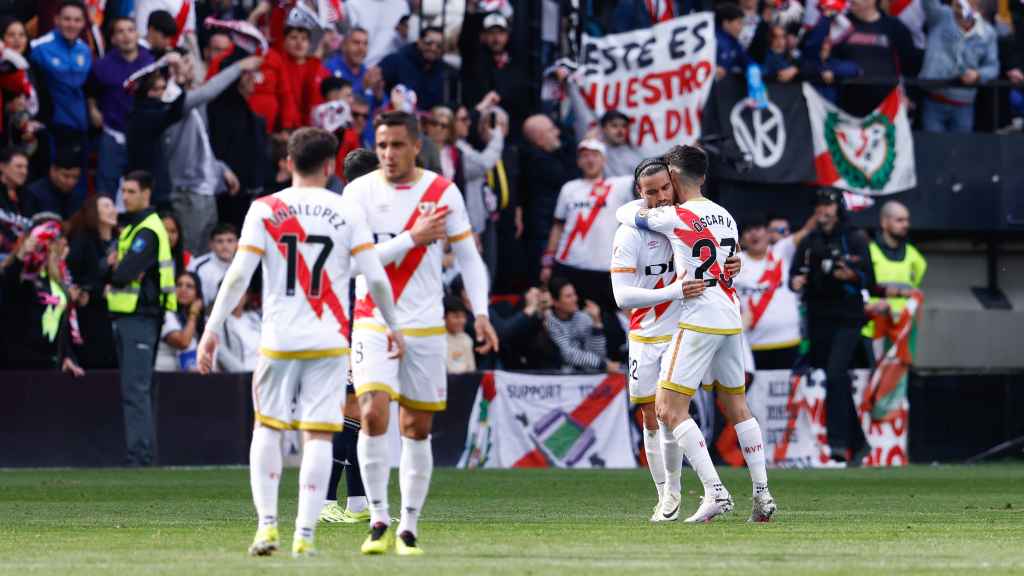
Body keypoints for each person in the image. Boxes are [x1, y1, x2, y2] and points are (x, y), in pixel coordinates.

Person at [196, 127, 405, 558]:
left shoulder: (264, 209)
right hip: (328, 341)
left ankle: (266, 527)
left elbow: (238, 275)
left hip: (277, 338)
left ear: (288, 163)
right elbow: (375, 276)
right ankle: (304, 534)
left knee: (267, 430)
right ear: (330, 166)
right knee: (319, 437)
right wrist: (395, 327)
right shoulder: (347, 212)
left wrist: (212, 329)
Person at [343, 110, 497, 555]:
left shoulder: (442, 191)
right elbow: (352, 264)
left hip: (426, 323)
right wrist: (411, 238)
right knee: (372, 413)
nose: (388, 153)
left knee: (416, 427)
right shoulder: (357, 192)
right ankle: (376, 519)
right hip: (372, 319)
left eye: (396, 145)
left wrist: (481, 311)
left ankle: (408, 526)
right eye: (382, 144)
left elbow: (468, 257)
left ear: (416, 146)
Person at [617, 145, 775, 523]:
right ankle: (763, 495)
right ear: (703, 177)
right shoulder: (725, 216)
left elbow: (628, 214)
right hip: (731, 317)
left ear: (672, 176)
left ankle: (716, 492)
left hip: (698, 318)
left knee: (668, 408)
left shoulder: (674, 216)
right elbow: (729, 261)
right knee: (738, 407)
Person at [789, 189, 876, 465]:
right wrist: (796, 282)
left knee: (837, 372)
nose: (823, 211)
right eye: (819, 206)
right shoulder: (810, 241)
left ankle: (838, 443)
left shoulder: (855, 237)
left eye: (828, 205)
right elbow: (793, 274)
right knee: (832, 376)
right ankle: (859, 443)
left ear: (838, 208)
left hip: (848, 316)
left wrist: (850, 275)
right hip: (818, 315)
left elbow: (869, 279)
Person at [319, 147, 381, 526]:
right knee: (345, 411)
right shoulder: (353, 216)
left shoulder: (341, 212)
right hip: (345, 320)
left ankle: (357, 500)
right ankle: (325, 499)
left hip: (350, 316)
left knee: (357, 411)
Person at [106, 170, 178, 467]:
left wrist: (117, 269)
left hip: (141, 316)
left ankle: (141, 458)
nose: (125, 197)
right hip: (130, 315)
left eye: (132, 191)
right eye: (123, 191)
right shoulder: (135, 228)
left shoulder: (148, 229)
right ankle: (142, 454)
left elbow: (121, 273)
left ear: (147, 193)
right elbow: (111, 267)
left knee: (136, 390)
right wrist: (116, 268)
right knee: (137, 389)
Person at [541, 139, 633, 355]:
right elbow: (557, 225)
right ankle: (576, 360)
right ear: (578, 161)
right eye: (585, 155)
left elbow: (646, 175)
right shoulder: (569, 189)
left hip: (605, 269)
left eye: (595, 155)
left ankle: (617, 361)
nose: (590, 159)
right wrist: (547, 261)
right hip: (570, 265)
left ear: (604, 159)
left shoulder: (619, 186)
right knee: (570, 318)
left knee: (615, 318)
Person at [163, 48, 246, 256]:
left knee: (208, 254)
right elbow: (210, 90)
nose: (189, 69)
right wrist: (241, 66)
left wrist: (220, 168)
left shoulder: (196, 101)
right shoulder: (171, 101)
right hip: (186, 193)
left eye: (190, 64)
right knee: (189, 254)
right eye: (183, 65)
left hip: (206, 191)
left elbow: (202, 143)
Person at [0, 219, 85, 375]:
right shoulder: (19, 271)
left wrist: (66, 356)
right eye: (53, 239)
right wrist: (22, 254)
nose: (62, 242)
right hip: (18, 366)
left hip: (51, 364)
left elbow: (60, 323)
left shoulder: (56, 278)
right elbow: (10, 292)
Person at [735, 213, 813, 370]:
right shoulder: (733, 262)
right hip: (750, 347)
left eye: (758, 229)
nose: (754, 234)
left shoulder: (781, 251)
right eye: (748, 231)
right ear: (741, 239)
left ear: (767, 233)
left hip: (789, 341)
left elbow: (808, 230)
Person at [88, 16, 155, 198]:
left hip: (143, 134)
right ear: (113, 39)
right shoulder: (102, 66)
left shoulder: (151, 62)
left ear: (137, 34)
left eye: (130, 30)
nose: (126, 36)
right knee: (106, 186)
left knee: (142, 186)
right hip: (113, 132)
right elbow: (91, 93)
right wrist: (93, 110)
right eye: (120, 31)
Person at [918, 0, 999, 133]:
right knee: (933, 150)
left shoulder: (988, 32)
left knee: (961, 150)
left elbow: (993, 67)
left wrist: (978, 74)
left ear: (979, 8)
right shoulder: (941, 16)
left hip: (964, 104)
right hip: (935, 99)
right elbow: (928, 3)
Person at [29, 0, 91, 171]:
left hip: (80, 127)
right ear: (56, 20)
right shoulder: (39, 48)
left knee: (79, 181)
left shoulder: (84, 50)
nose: (72, 25)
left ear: (84, 22)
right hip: (53, 128)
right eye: (67, 19)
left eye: (77, 20)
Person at [521, 114, 577, 284]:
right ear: (539, 139)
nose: (557, 133)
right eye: (551, 130)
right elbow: (570, 175)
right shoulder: (537, 160)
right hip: (544, 231)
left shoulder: (546, 155)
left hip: (549, 227)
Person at [66, 195, 119, 369]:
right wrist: (105, 265)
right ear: (93, 211)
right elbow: (74, 275)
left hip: (118, 311)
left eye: (112, 205)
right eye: (106, 206)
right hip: (92, 313)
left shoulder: (121, 239)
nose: (112, 209)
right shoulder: (83, 240)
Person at [458, 10, 528, 140]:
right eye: (491, 33)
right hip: (479, 125)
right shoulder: (475, 60)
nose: (496, 38)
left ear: (507, 35)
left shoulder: (516, 61)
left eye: (500, 33)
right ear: (483, 36)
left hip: (511, 126)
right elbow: (465, 42)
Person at [862, 200, 927, 339]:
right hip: (872, 330)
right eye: (899, 220)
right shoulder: (868, 253)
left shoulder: (915, 258)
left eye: (907, 220)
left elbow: (915, 289)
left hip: (902, 332)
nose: (906, 225)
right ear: (884, 222)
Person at [545, 277, 616, 373]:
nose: (575, 299)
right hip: (565, 379)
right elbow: (567, 354)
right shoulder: (550, 322)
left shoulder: (584, 317)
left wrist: (596, 323)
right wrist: (602, 364)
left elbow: (598, 354)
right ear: (555, 302)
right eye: (568, 296)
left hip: (591, 376)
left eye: (574, 294)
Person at [277, 7, 330, 125]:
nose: (299, 43)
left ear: (310, 44)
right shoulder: (279, 64)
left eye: (304, 39)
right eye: (293, 37)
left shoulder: (320, 69)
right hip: (284, 128)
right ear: (284, 41)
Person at [379, 26, 452, 111]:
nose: (433, 48)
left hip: (427, 122)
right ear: (419, 41)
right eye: (429, 43)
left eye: (439, 45)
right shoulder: (395, 61)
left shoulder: (444, 72)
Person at [155, 271, 204, 371]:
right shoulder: (166, 314)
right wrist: (194, 313)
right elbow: (183, 342)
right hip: (164, 376)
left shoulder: (201, 320)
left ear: (197, 294)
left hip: (188, 377)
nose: (183, 289)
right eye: (179, 285)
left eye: (189, 286)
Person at [343, 0, 410, 67]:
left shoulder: (402, 5)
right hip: (360, 70)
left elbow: (406, 42)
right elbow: (347, 44)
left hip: (393, 70)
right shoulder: (352, 4)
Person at [23, 145, 83, 218]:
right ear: (53, 171)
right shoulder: (34, 193)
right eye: (66, 176)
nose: (71, 182)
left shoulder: (77, 196)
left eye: (75, 177)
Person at [214, 282, 261, 373]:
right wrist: (246, 375)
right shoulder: (218, 323)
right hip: (243, 377)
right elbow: (222, 354)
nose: (235, 295)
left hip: (265, 373)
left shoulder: (254, 317)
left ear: (246, 296)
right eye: (231, 291)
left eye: (239, 291)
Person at [188, 223, 238, 307]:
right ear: (211, 244)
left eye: (230, 241)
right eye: (220, 241)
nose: (225, 246)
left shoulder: (243, 265)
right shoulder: (199, 266)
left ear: (237, 243)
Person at [0, 148, 30, 262]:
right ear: (2, 167)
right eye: (19, 166)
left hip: (22, 253)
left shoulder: (27, 196)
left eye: (26, 167)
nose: (24, 172)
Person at [599, 110, 644, 178]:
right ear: (604, 129)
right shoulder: (596, 152)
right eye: (614, 126)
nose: (620, 130)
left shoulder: (634, 155)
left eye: (624, 126)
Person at [716, 3, 750, 78]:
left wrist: (753, 68)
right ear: (726, 23)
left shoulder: (735, 43)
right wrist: (711, 70)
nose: (741, 28)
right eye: (739, 23)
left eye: (742, 23)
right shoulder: (712, 40)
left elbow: (746, 61)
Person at [444, 295, 475, 374]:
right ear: (443, 317)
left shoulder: (466, 339)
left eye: (463, 316)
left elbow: (471, 369)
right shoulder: (437, 340)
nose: (461, 321)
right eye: (456, 317)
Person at [161, 211, 190, 275]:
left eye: (173, 231)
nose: (168, 236)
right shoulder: (145, 256)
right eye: (163, 230)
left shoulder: (187, 259)